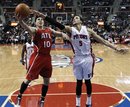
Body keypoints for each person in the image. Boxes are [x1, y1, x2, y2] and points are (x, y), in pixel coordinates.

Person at [32, 10, 127, 107]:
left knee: (87, 81)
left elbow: (102, 40)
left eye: (77, 18)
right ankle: (77, 103)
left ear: (81, 21)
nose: (75, 19)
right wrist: (43, 16)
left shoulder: (89, 31)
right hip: (77, 58)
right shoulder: (70, 30)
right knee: (78, 82)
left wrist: (115, 48)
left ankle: (89, 101)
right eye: (74, 18)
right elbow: (57, 24)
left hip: (87, 58)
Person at [15, 13, 67, 107]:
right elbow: (27, 27)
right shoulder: (35, 30)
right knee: (28, 80)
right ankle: (19, 96)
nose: (40, 20)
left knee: (47, 80)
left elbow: (58, 33)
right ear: (35, 22)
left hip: (47, 57)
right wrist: (20, 21)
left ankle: (42, 100)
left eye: (41, 19)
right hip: (38, 57)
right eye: (38, 19)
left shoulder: (49, 30)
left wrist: (64, 34)